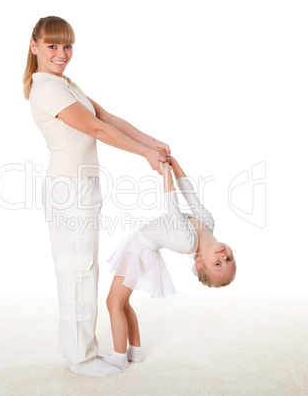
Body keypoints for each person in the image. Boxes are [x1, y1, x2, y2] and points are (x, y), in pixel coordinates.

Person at [23, 16, 170, 377]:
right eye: (52, 46)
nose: (61, 54)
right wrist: (145, 155)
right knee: (76, 270)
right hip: (68, 188)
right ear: (34, 46)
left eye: (67, 46)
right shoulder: (46, 88)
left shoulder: (65, 83)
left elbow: (106, 116)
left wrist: (150, 141)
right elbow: (95, 129)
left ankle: (86, 349)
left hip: (83, 186)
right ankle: (78, 358)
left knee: (84, 269)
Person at [101, 157, 236, 370]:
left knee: (113, 303)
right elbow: (190, 194)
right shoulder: (208, 224)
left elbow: (172, 204)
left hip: (139, 249)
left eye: (218, 264)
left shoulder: (187, 241)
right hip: (142, 248)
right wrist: (174, 164)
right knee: (123, 303)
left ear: (200, 263)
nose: (223, 256)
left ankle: (119, 357)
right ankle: (134, 352)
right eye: (228, 259)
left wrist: (165, 171)